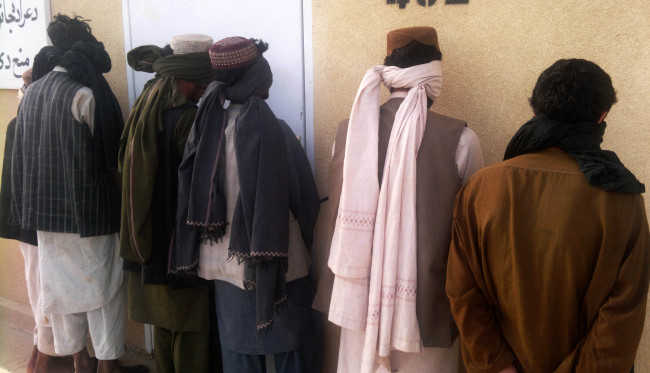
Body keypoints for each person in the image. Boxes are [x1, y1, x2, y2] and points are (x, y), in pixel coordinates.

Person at [446, 58, 649, 372]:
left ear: (535, 112)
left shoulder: (479, 190)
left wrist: (497, 365)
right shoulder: (621, 198)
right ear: (602, 116)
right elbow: (624, 312)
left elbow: (462, 292)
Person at [312, 26, 484, 372]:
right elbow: (476, 225)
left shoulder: (348, 133)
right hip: (428, 308)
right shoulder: (462, 140)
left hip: (358, 303)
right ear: (434, 75)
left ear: (390, 75)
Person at [168, 36, 322, 373]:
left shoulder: (206, 129)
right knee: (291, 347)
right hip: (278, 263)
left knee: (238, 350)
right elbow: (307, 203)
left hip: (223, 263)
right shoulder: (277, 133)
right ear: (258, 79)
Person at [10, 14, 146, 373]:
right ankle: (107, 365)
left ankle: (79, 360)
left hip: (44, 218)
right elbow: (110, 159)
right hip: (90, 216)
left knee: (63, 294)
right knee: (105, 292)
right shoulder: (85, 95)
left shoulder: (31, 92)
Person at [119, 33, 219, 373]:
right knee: (191, 333)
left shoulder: (146, 103)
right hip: (178, 246)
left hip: (147, 242)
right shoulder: (187, 116)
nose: (209, 84)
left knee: (163, 328)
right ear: (188, 75)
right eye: (205, 77)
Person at [0, 69, 74, 373]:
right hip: (31, 225)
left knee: (50, 289)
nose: (24, 91)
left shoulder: (37, 122)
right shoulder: (21, 125)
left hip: (40, 223)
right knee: (41, 290)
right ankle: (41, 357)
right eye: (23, 85)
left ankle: (56, 352)